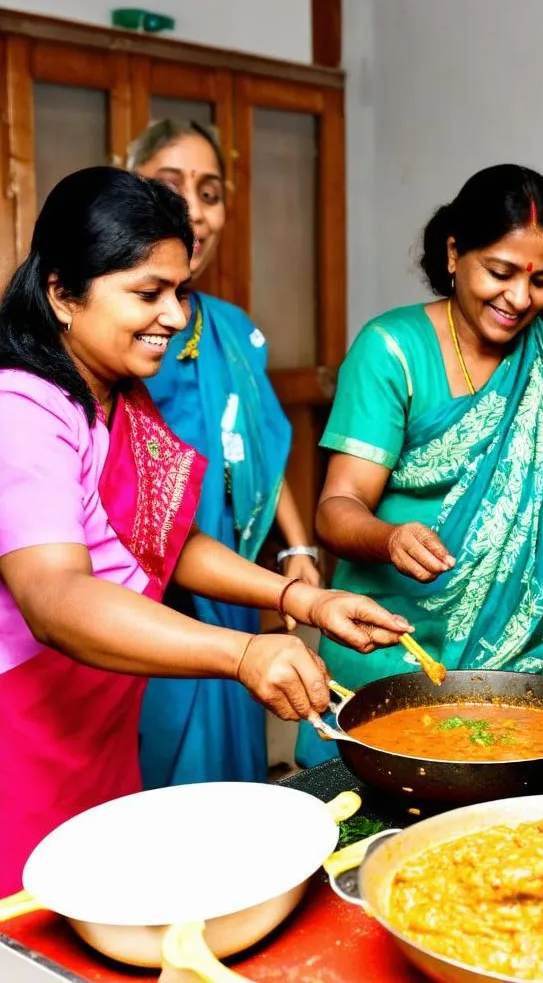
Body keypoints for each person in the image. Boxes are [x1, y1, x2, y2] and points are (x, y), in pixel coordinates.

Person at [0, 167, 409, 891]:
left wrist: (302, 600)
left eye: (181, 290)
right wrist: (243, 652)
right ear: (63, 292)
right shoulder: (22, 411)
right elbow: (56, 597)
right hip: (24, 733)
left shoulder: (119, 396)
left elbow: (163, 538)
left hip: (98, 715)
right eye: (147, 292)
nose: (175, 316)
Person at [296, 164, 543, 769]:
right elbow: (336, 508)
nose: (519, 298)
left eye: (541, 281)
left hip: (531, 665)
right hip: (396, 649)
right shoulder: (393, 349)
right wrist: (388, 537)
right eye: (501, 272)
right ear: (455, 252)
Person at [126, 120, 320, 788]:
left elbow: (258, 448)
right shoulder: (118, 335)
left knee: (235, 771)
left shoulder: (231, 331)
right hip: (141, 594)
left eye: (209, 192)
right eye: (169, 185)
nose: (193, 209)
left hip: (227, 575)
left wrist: (297, 551)